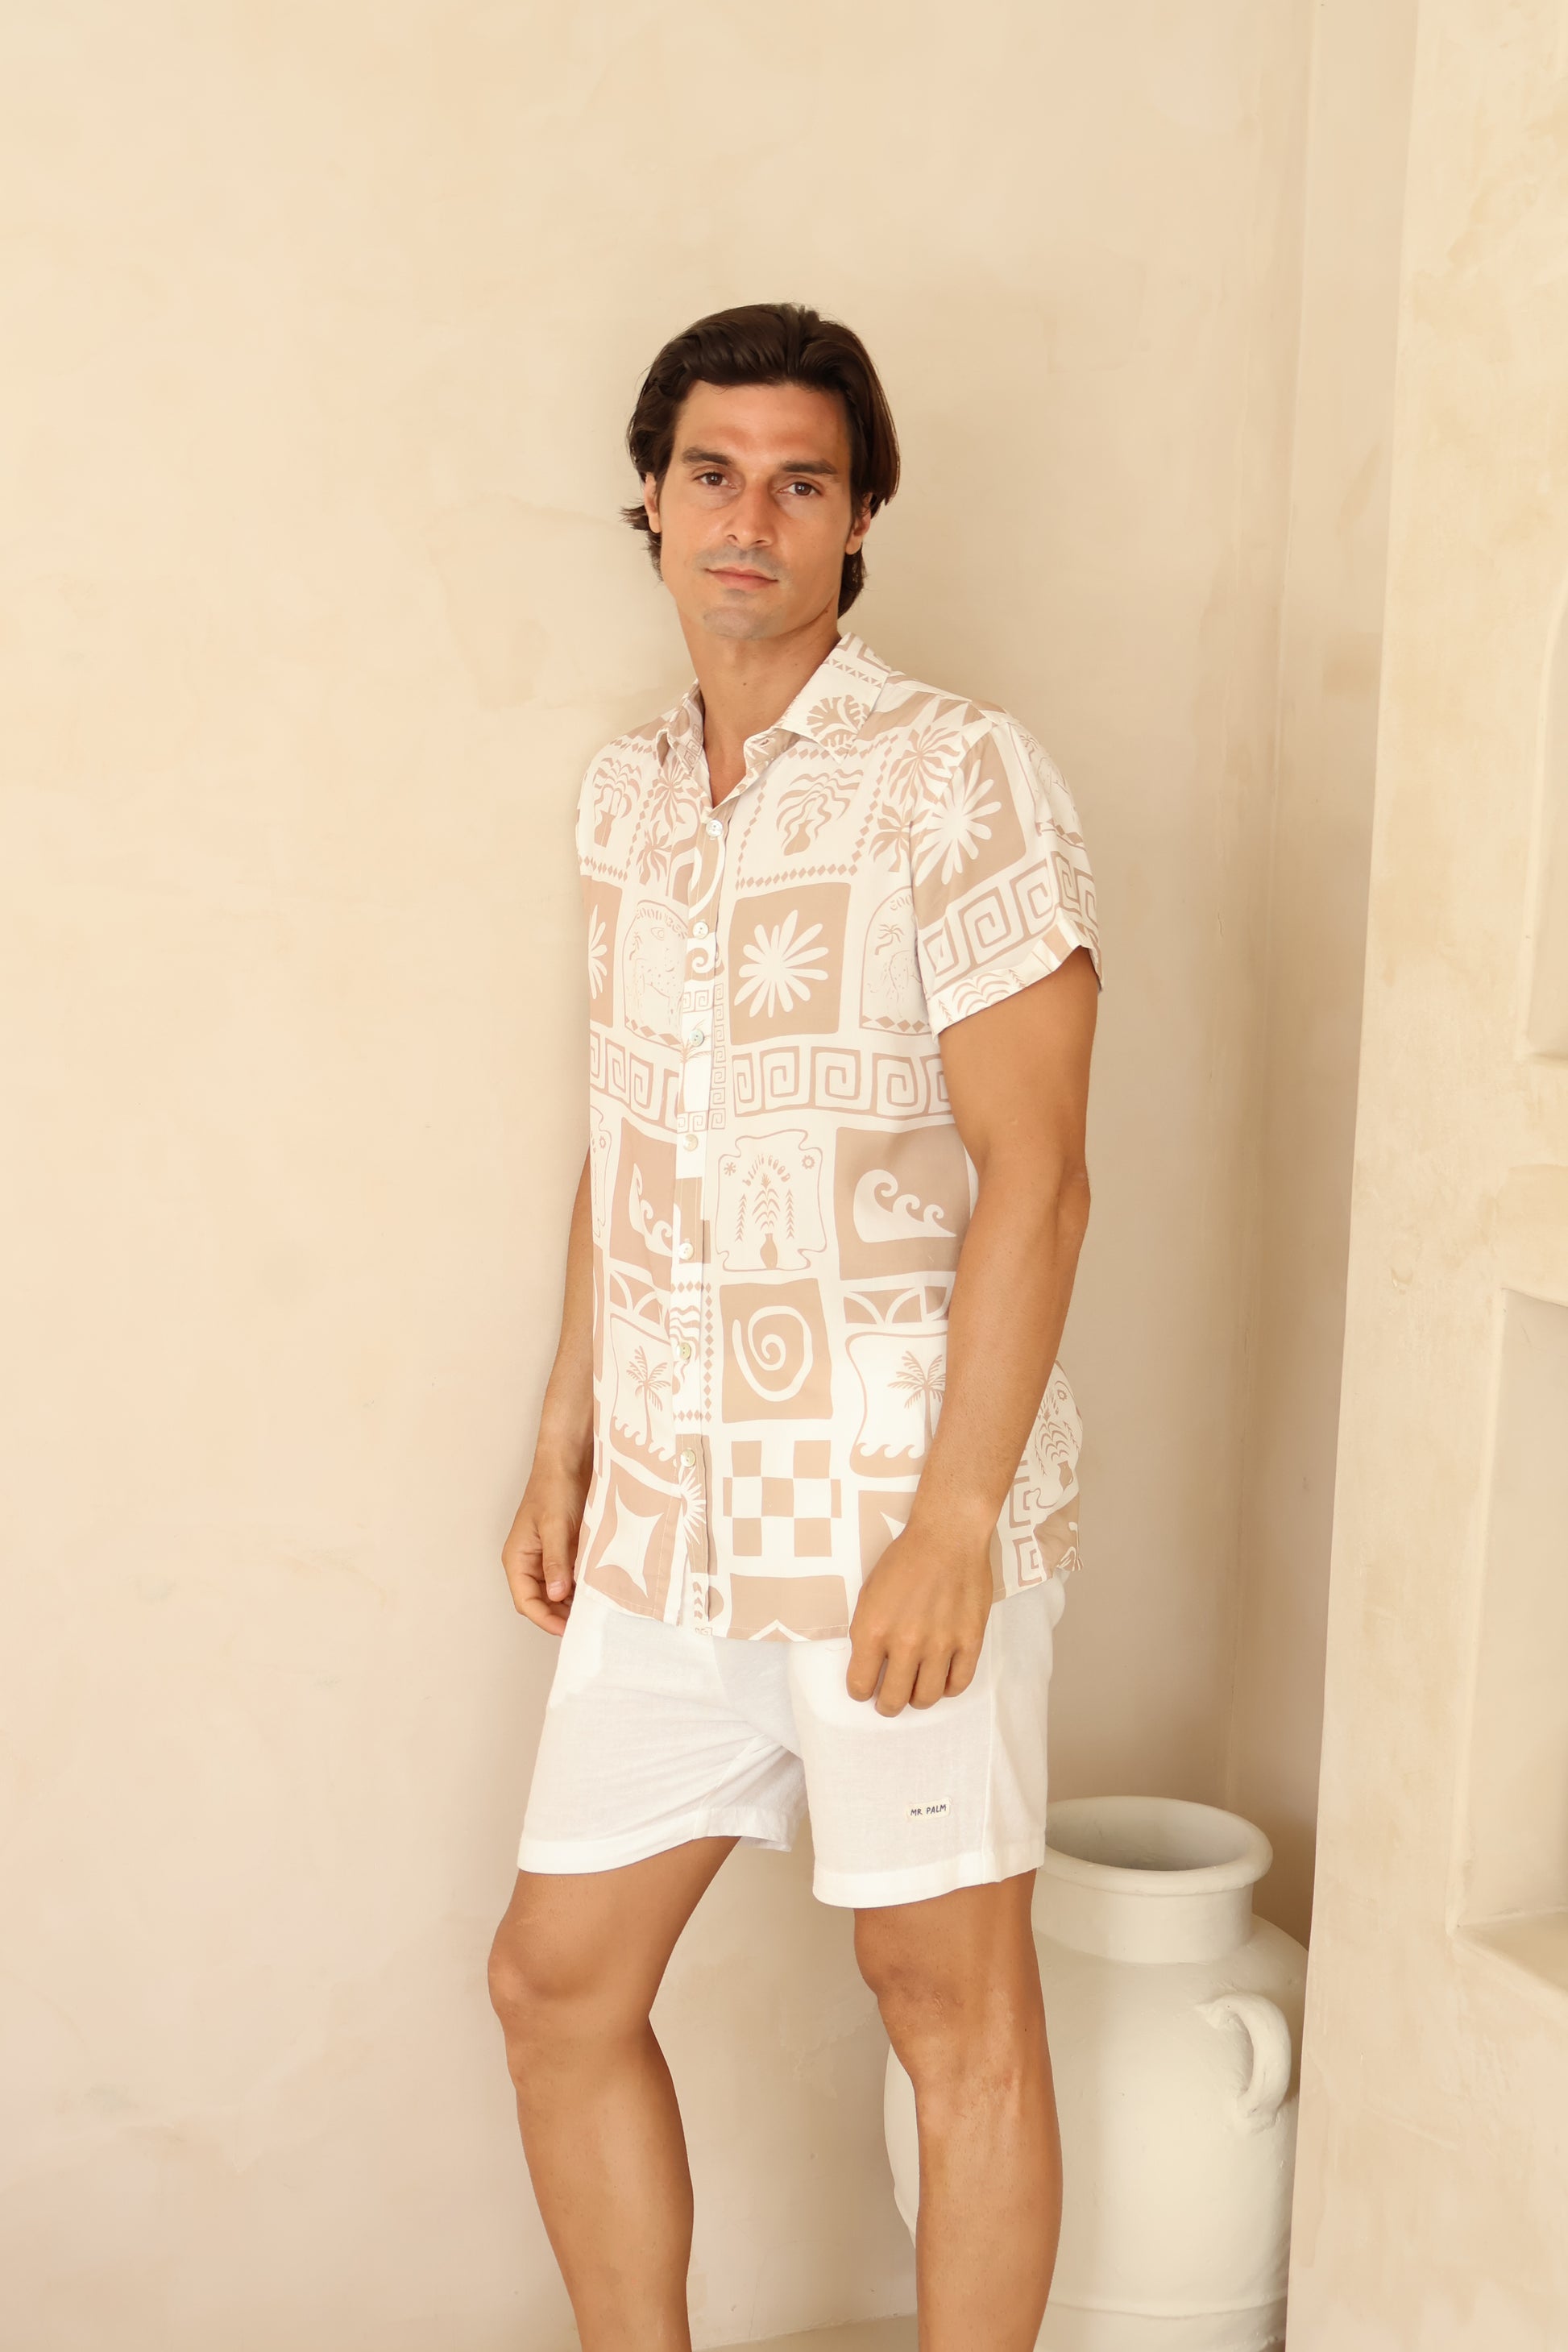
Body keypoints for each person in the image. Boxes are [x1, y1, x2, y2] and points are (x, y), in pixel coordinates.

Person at [487, 301, 1101, 2350]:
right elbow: (631, 1126)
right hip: (670, 1511)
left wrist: (956, 1518)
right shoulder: (626, 797)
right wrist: (567, 1431)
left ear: (855, 521)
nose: (750, 517)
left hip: (886, 1512)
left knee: (947, 2001)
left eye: (800, 480)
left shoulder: (960, 776)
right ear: (653, 505)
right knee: (555, 1982)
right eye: (714, 473)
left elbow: (1040, 1173)